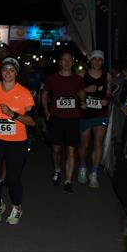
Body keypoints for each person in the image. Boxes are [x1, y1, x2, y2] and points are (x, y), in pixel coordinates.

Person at [0, 57, 35, 224]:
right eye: (5, 70)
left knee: (13, 179)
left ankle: (17, 207)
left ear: (16, 73)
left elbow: (32, 121)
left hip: (17, 142)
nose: (8, 73)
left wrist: (13, 114)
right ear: (1, 72)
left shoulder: (24, 93)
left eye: (12, 70)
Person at [41, 49, 84, 193]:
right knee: (56, 149)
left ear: (73, 62)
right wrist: (46, 112)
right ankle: (57, 170)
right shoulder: (52, 78)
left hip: (73, 118)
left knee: (71, 150)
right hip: (56, 118)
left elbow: (81, 92)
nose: (66, 62)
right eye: (64, 60)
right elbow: (44, 94)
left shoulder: (78, 79)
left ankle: (68, 181)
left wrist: (83, 100)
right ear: (59, 63)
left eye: (69, 59)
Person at [77, 50, 113, 189]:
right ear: (90, 60)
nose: (97, 61)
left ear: (103, 61)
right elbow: (73, 92)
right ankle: (82, 167)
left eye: (100, 59)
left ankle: (94, 173)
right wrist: (86, 90)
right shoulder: (82, 75)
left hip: (100, 114)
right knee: (84, 144)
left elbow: (109, 94)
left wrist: (106, 100)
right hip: (85, 114)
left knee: (98, 143)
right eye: (94, 59)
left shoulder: (107, 76)